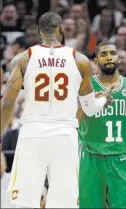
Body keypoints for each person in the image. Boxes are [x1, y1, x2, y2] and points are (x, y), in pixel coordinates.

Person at [1, 12, 113, 208]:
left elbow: (8, 103)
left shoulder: (23, 59)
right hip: (65, 136)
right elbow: (89, 107)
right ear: (61, 30)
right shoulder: (80, 60)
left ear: (38, 32)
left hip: (32, 134)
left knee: (25, 201)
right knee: (65, 203)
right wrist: (103, 99)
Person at [78, 41, 126, 208]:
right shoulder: (86, 86)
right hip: (90, 158)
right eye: (103, 54)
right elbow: (74, 120)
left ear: (119, 58)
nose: (108, 57)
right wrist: (89, 104)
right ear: (96, 60)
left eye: (112, 53)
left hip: (119, 159)